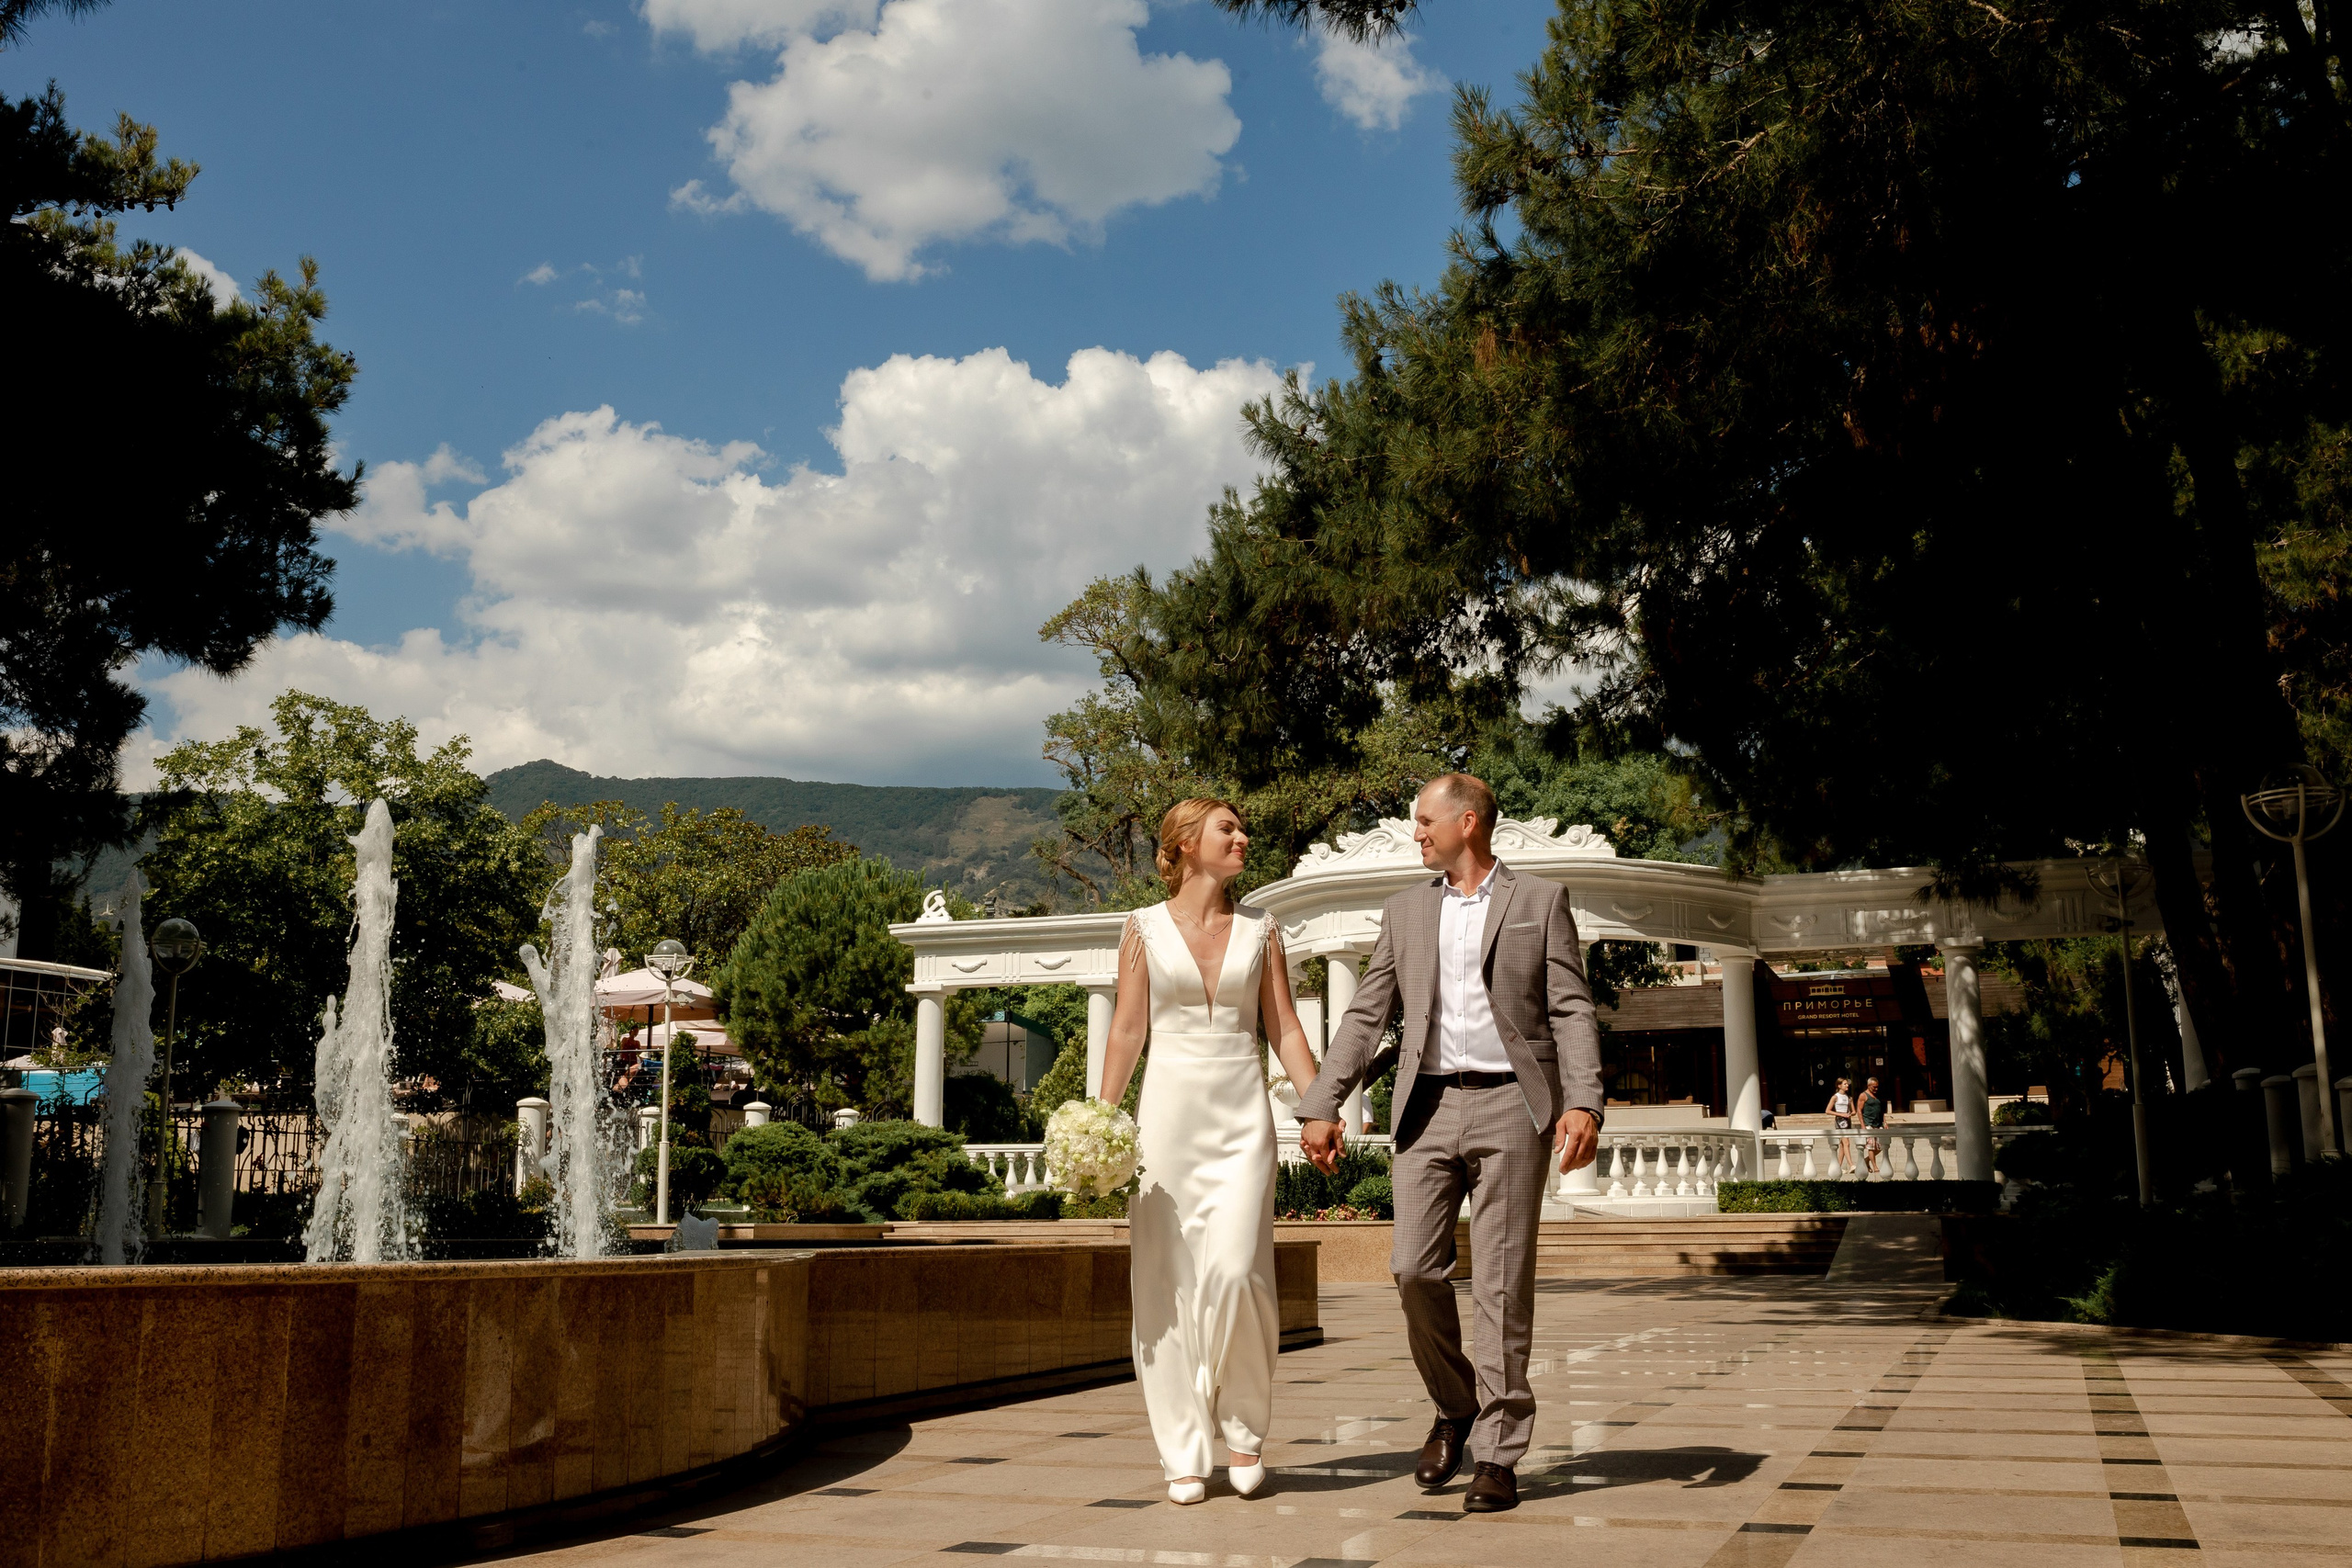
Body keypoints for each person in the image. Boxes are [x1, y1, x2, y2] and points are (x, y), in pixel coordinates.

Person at [1293, 773, 1604, 1515]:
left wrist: (1583, 1099)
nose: (1416, 833)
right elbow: (1366, 1014)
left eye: (1425, 820)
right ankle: (1455, 1403)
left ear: (1468, 822)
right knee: (1412, 1268)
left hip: (1511, 1104)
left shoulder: (1540, 900)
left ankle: (1498, 1451)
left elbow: (1570, 1008)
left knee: (1501, 1282)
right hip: (1425, 1106)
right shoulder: (1405, 910)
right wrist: (1323, 1101)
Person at [1098, 798, 1324, 1506]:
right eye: (1228, 828)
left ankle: (1245, 1432)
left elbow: (1285, 1028)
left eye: (1242, 827)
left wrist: (1319, 1104)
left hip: (1241, 1124)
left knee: (1236, 1273)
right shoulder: (1141, 927)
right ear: (1187, 842)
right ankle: (1183, 1450)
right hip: (1166, 1124)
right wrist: (1099, 1120)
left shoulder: (1263, 928)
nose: (1243, 837)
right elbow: (1127, 1030)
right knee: (1164, 1283)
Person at [1826, 1077, 1856, 1174]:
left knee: (1843, 1145)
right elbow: (1828, 1111)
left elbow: (1854, 1111)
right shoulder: (1835, 1097)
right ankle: (1851, 1164)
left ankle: (1838, 1167)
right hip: (1840, 1121)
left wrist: (1850, 1114)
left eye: (1847, 1084)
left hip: (1847, 1120)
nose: (1847, 1085)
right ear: (1839, 1086)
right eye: (1845, 1084)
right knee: (1846, 1143)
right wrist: (1840, 1114)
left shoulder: (1849, 1097)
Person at [1858, 1076, 1887, 1173]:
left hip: (1878, 1124)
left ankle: (1866, 1160)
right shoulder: (1863, 1095)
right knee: (1871, 1147)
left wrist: (1885, 1122)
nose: (1876, 1089)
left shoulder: (1877, 1096)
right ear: (1868, 1086)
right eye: (1874, 1087)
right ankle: (1875, 1166)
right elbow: (1859, 1110)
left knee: (1882, 1145)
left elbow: (1881, 1111)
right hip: (1869, 1124)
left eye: (1877, 1087)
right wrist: (1862, 1125)